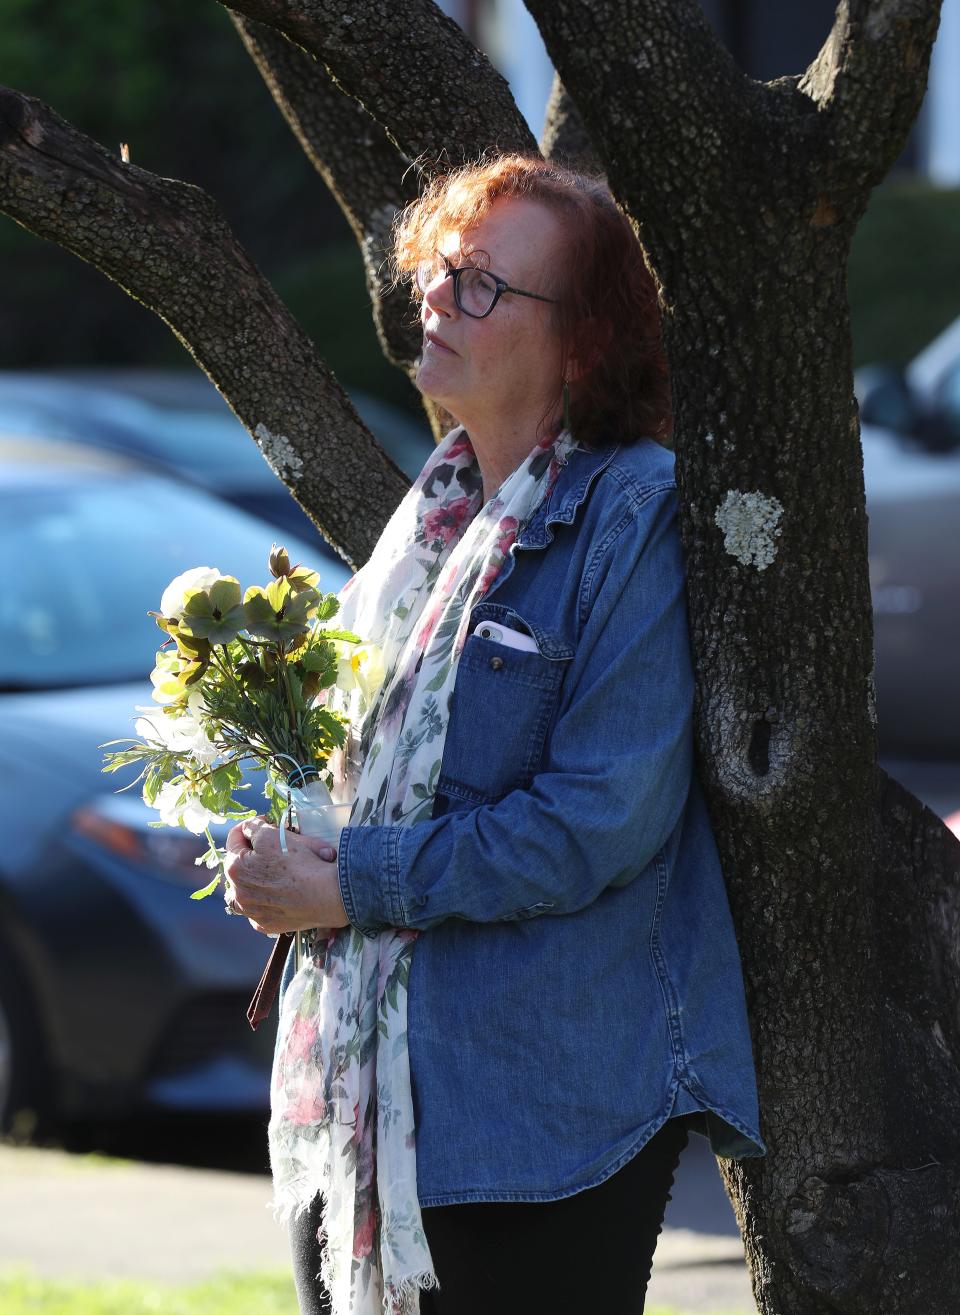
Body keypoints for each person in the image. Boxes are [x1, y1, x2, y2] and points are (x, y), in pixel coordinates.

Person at [223, 154, 766, 1315]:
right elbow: (361, 769)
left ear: (581, 343)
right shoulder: (433, 518)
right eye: (438, 271)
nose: (432, 297)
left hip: (538, 1115)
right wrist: (284, 845)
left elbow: (593, 825)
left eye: (479, 284)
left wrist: (348, 884)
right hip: (359, 1096)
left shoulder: (635, 516)